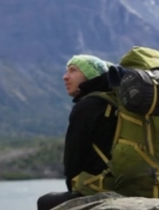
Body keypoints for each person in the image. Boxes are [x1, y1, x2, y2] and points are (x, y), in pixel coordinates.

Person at [37, 54, 118, 210]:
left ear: (90, 75)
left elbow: (73, 158)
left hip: (101, 187)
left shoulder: (87, 106)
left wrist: (74, 191)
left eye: (73, 71)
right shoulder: (114, 102)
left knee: (44, 202)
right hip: (126, 182)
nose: (65, 77)